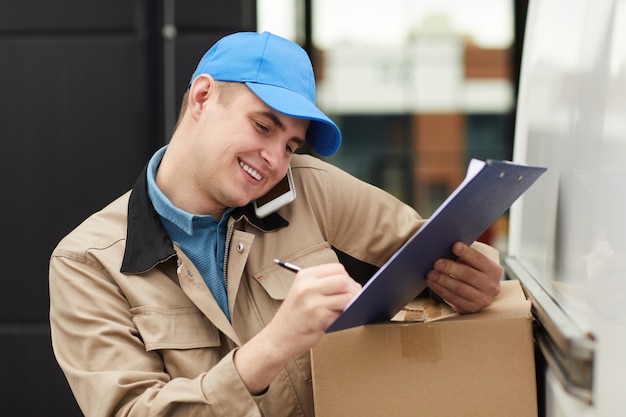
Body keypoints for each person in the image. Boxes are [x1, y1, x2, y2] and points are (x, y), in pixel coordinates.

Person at [49, 31, 503, 417]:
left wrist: (476, 275)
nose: (274, 160)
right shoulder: (88, 262)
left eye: (290, 145)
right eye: (264, 126)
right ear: (203, 97)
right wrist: (275, 345)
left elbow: (437, 245)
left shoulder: (312, 190)